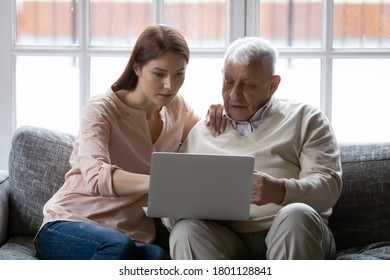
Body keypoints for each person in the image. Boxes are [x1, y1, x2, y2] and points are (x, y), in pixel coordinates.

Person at [34, 24, 225, 260]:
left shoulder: (177, 108)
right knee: (117, 247)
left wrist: (220, 114)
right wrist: (162, 181)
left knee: (159, 257)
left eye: (179, 74)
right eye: (159, 73)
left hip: (132, 237)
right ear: (137, 67)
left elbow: (209, 141)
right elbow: (96, 177)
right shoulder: (101, 109)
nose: (170, 85)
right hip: (69, 224)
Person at [166, 37, 343, 260]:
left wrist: (279, 190)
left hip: (294, 230)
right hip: (226, 237)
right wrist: (176, 208)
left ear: (273, 85)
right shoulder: (205, 129)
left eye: (247, 85)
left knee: (296, 215)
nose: (233, 95)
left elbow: (328, 189)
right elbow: (173, 203)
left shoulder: (306, 118)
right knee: (185, 232)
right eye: (228, 82)